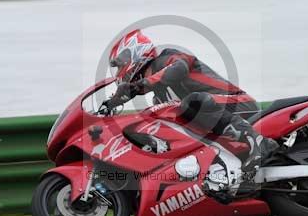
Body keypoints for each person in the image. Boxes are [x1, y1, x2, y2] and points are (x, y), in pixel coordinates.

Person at [102, 29, 278, 199]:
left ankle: (259, 143)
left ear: (135, 51)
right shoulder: (160, 98)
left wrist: (139, 86)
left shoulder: (169, 57)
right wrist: (111, 104)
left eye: (120, 63)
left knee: (192, 102)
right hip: (219, 120)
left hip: (238, 104)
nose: (119, 72)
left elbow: (179, 68)